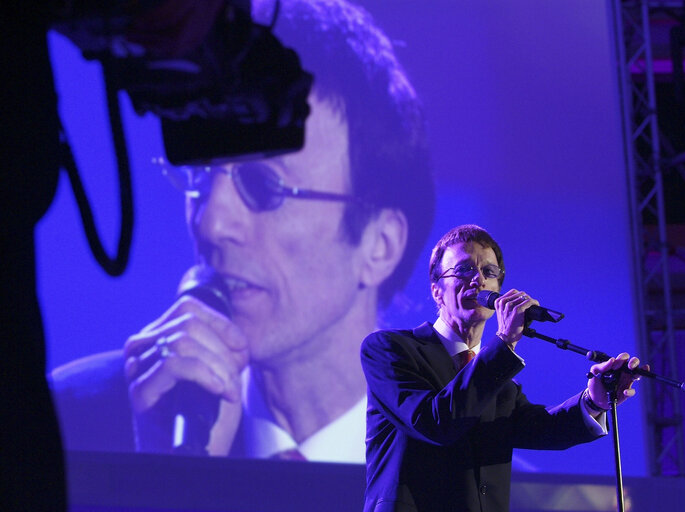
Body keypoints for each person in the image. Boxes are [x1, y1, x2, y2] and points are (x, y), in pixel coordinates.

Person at [49, 0, 434, 463]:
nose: (211, 223)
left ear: (381, 245)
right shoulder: (70, 423)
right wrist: (165, 480)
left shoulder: (484, 489)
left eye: (263, 186)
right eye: (201, 176)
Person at [360, 224, 647, 512]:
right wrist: (505, 342)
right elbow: (435, 423)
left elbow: (544, 429)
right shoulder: (389, 350)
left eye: (489, 272)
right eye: (464, 270)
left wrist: (594, 401)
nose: (478, 281)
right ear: (437, 291)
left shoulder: (498, 383)